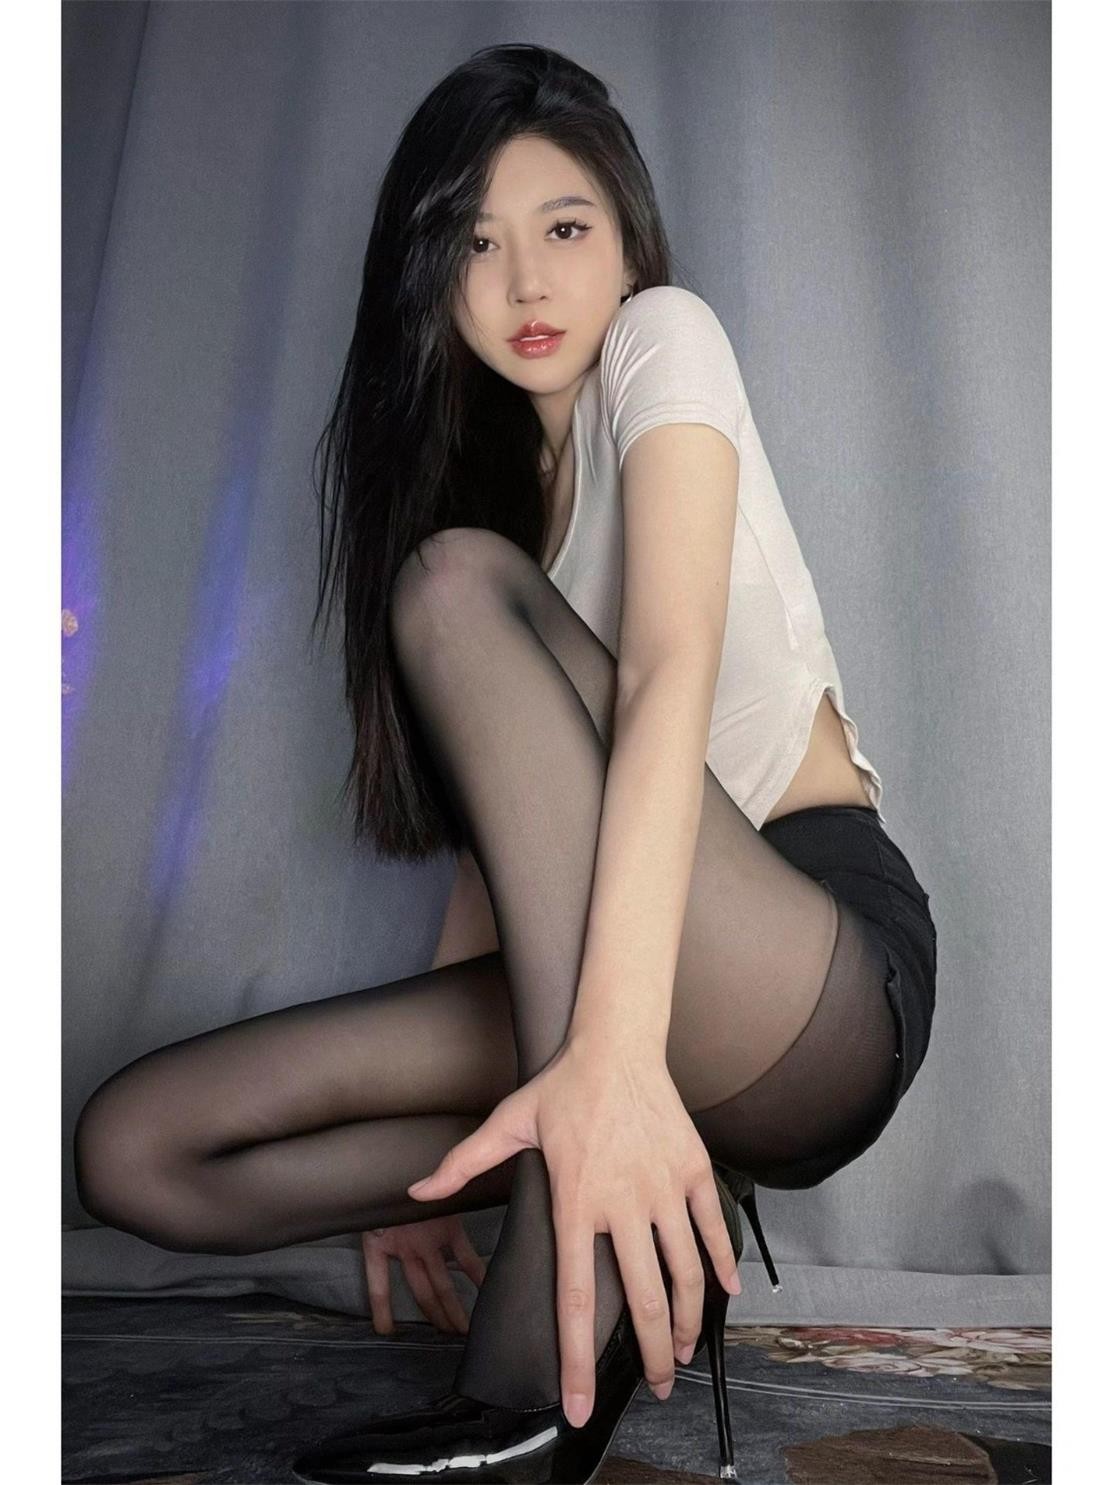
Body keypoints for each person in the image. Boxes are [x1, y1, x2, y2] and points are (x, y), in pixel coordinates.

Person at [72, 41, 937, 1485]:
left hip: (810, 986)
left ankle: (544, 1355)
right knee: (137, 1149)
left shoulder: (663, 343)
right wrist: (419, 1182)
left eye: (565, 228)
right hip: (609, 986)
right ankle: (610, 1176)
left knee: (452, 582)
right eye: (475, 243)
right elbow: (517, 854)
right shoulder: (501, 511)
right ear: (430, 277)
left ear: (627, 240)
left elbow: (665, 676)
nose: (526, 281)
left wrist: (610, 1056)